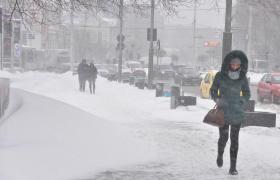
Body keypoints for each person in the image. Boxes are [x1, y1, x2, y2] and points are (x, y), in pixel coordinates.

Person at [210, 50, 250, 175]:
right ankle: (220, 154)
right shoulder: (220, 76)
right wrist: (217, 99)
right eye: (232, 64)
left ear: (240, 65)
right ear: (228, 64)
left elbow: (247, 93)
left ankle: (233, 167)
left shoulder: (242, 78)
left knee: (234, 140)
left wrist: (242, 101)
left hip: (237, 111)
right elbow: (213, 90)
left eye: (237, 65)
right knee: (224, 137)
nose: (234, 67)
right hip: (223, 111)